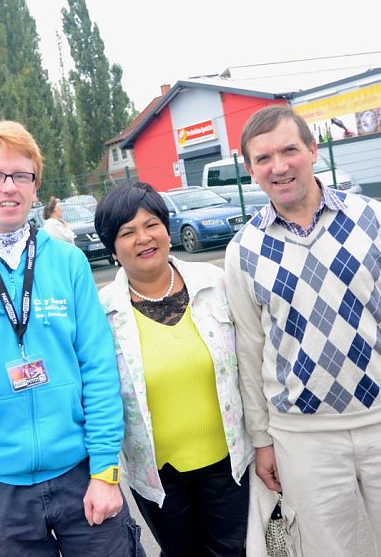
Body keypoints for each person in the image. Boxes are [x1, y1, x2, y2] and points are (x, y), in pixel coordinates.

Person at [224, 105, 381, 557]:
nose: (278, 167)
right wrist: (262, 441)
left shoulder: (373, 218)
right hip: (302, 439)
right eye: (263, 158)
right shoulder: (243, 251)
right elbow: (251, 355)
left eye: (289, 150)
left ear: (313, 150)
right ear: (250, 169)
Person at [0, 117, 143, 556]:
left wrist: (107, 469)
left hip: (82, 473)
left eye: (21, 175)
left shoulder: (67, 263)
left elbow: (98, 368)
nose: (9, 187)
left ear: (35, 187)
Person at [94, 182, 276, 557]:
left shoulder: (216, 283)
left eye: (151, 225)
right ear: (112, 248)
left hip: (228, 462)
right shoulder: (102, 312)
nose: (143, 238)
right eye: (127, 232)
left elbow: (254, 364)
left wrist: (265, 440)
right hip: (157, 476)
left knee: (232, 552)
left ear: (167, 227)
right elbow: (96, 395)